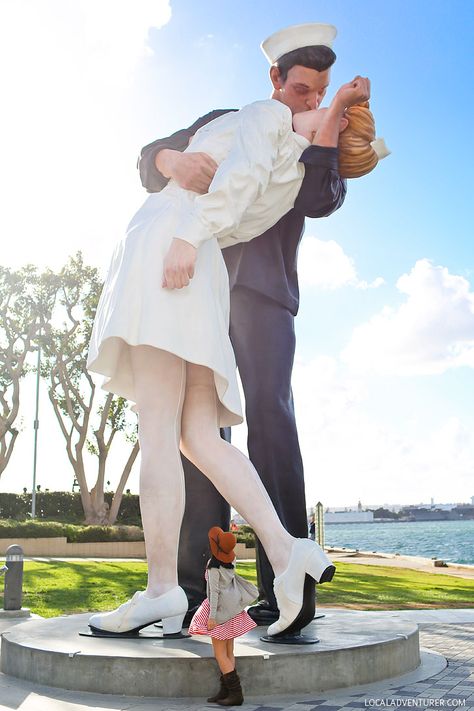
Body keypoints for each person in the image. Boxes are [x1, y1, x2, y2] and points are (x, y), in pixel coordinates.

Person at [86, 60, 371, 640]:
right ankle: (288, 551)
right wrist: (175, 168)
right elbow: (225, 200)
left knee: (160, 428)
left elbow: (236, 186)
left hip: (175, 248)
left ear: (325, 135)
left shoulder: (268, 119)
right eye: (309, 97)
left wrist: (187, 236)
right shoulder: (287, 163)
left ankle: (163, 589)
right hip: (205, 272)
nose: (312, 107)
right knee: (197, 437)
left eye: (324, 112)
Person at [188, 527, 258, 706]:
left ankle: (236, 694)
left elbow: (214, 593)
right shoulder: (232, 559)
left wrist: (212, 617)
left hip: (219, 611)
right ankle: (225, 690)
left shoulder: (213, 566)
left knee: (220, 655)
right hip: (233, 608)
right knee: (228, 652)